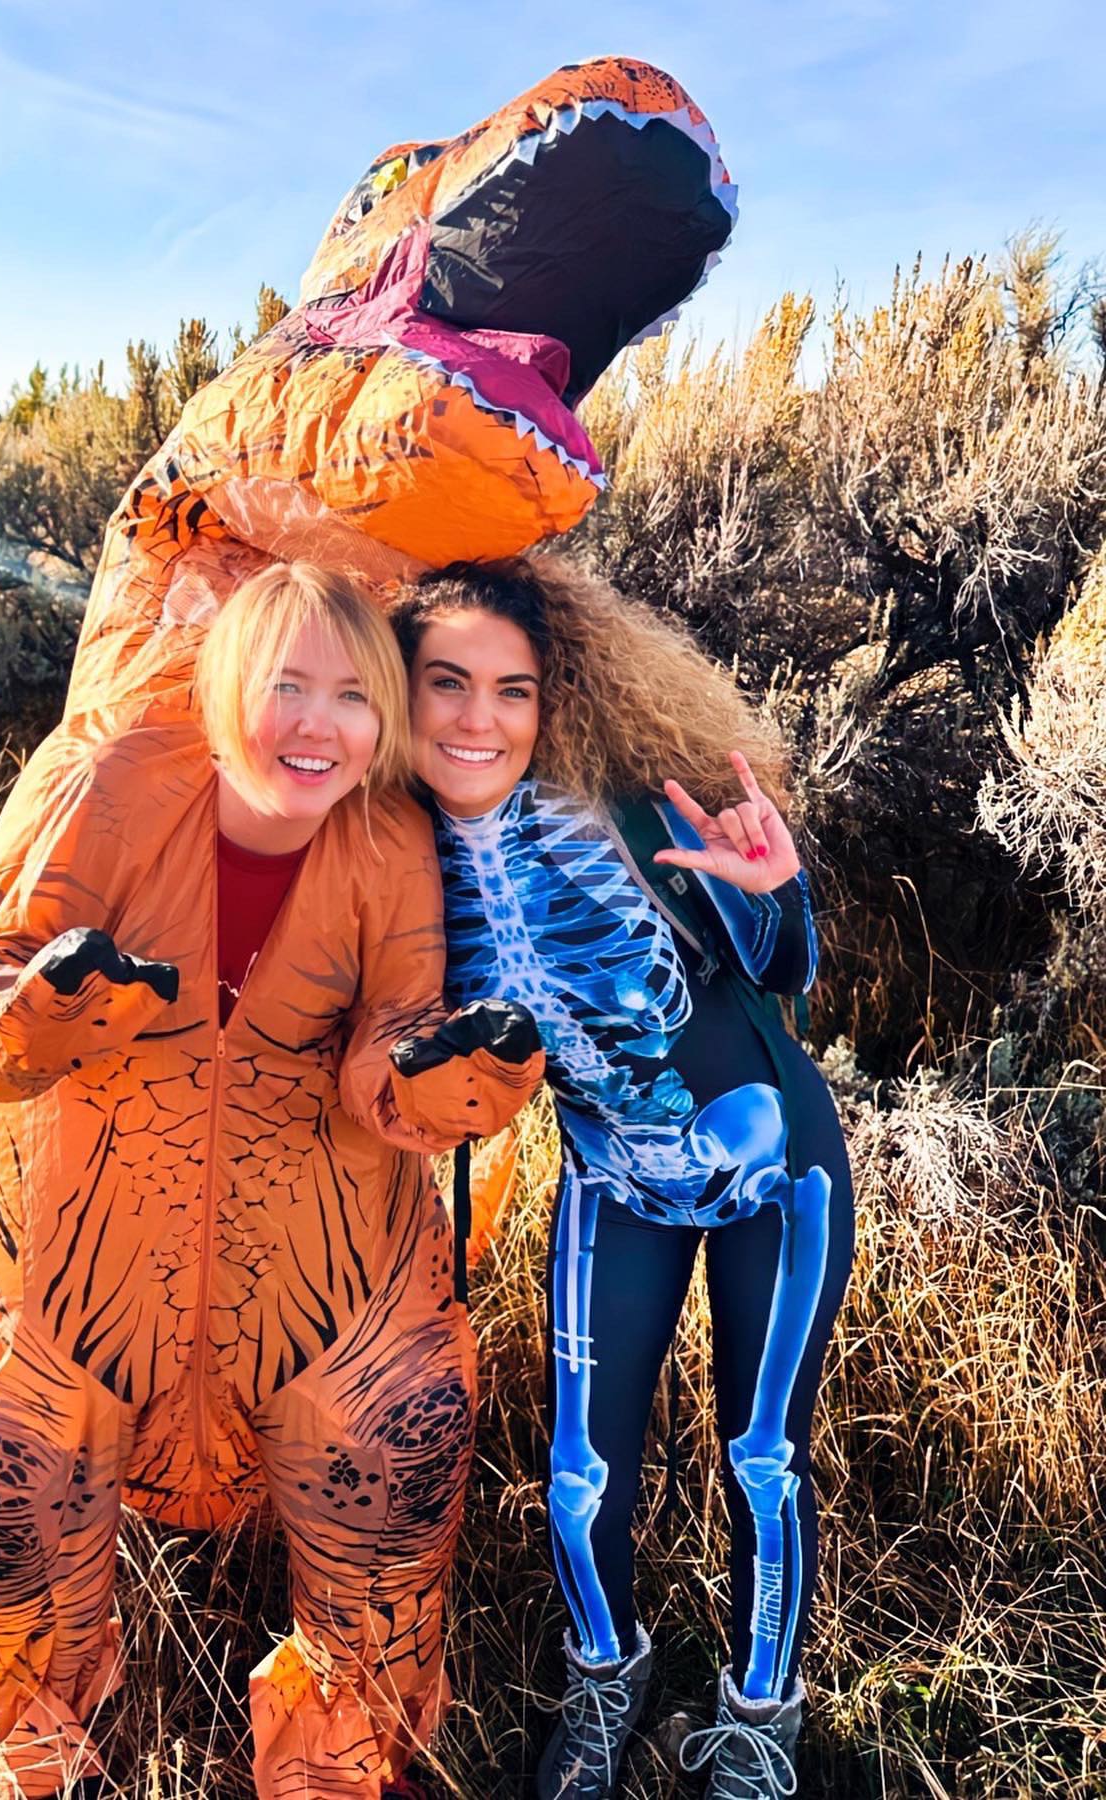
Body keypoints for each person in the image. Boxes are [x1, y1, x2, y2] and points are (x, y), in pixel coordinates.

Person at [0, 561, 543, 1800]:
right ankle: (34, 1757)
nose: (322, 725)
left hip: (321, 1264)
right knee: (2, 1485)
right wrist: (56, 1007)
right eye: (290, 686)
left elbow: (392, 1036)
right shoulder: (105, 781)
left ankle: (341, 1764)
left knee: (401, 1458)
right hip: (65, 1256)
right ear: (224, 683)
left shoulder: (387, 836)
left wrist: (442, 1080)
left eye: (358, 697)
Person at [389, 555, 854, 1800]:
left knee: (765, 1454)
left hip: (772, 1163)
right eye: (447, 685)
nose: (479, 719)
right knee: (582, 1470)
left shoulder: (628, 809)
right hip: (615, 1180)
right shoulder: (389, 853)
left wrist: (781, 891)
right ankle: (609, 1678)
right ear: (401, 694)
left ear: (555, 702)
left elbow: (782, 964)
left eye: (512, 691)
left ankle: (762, 1719)